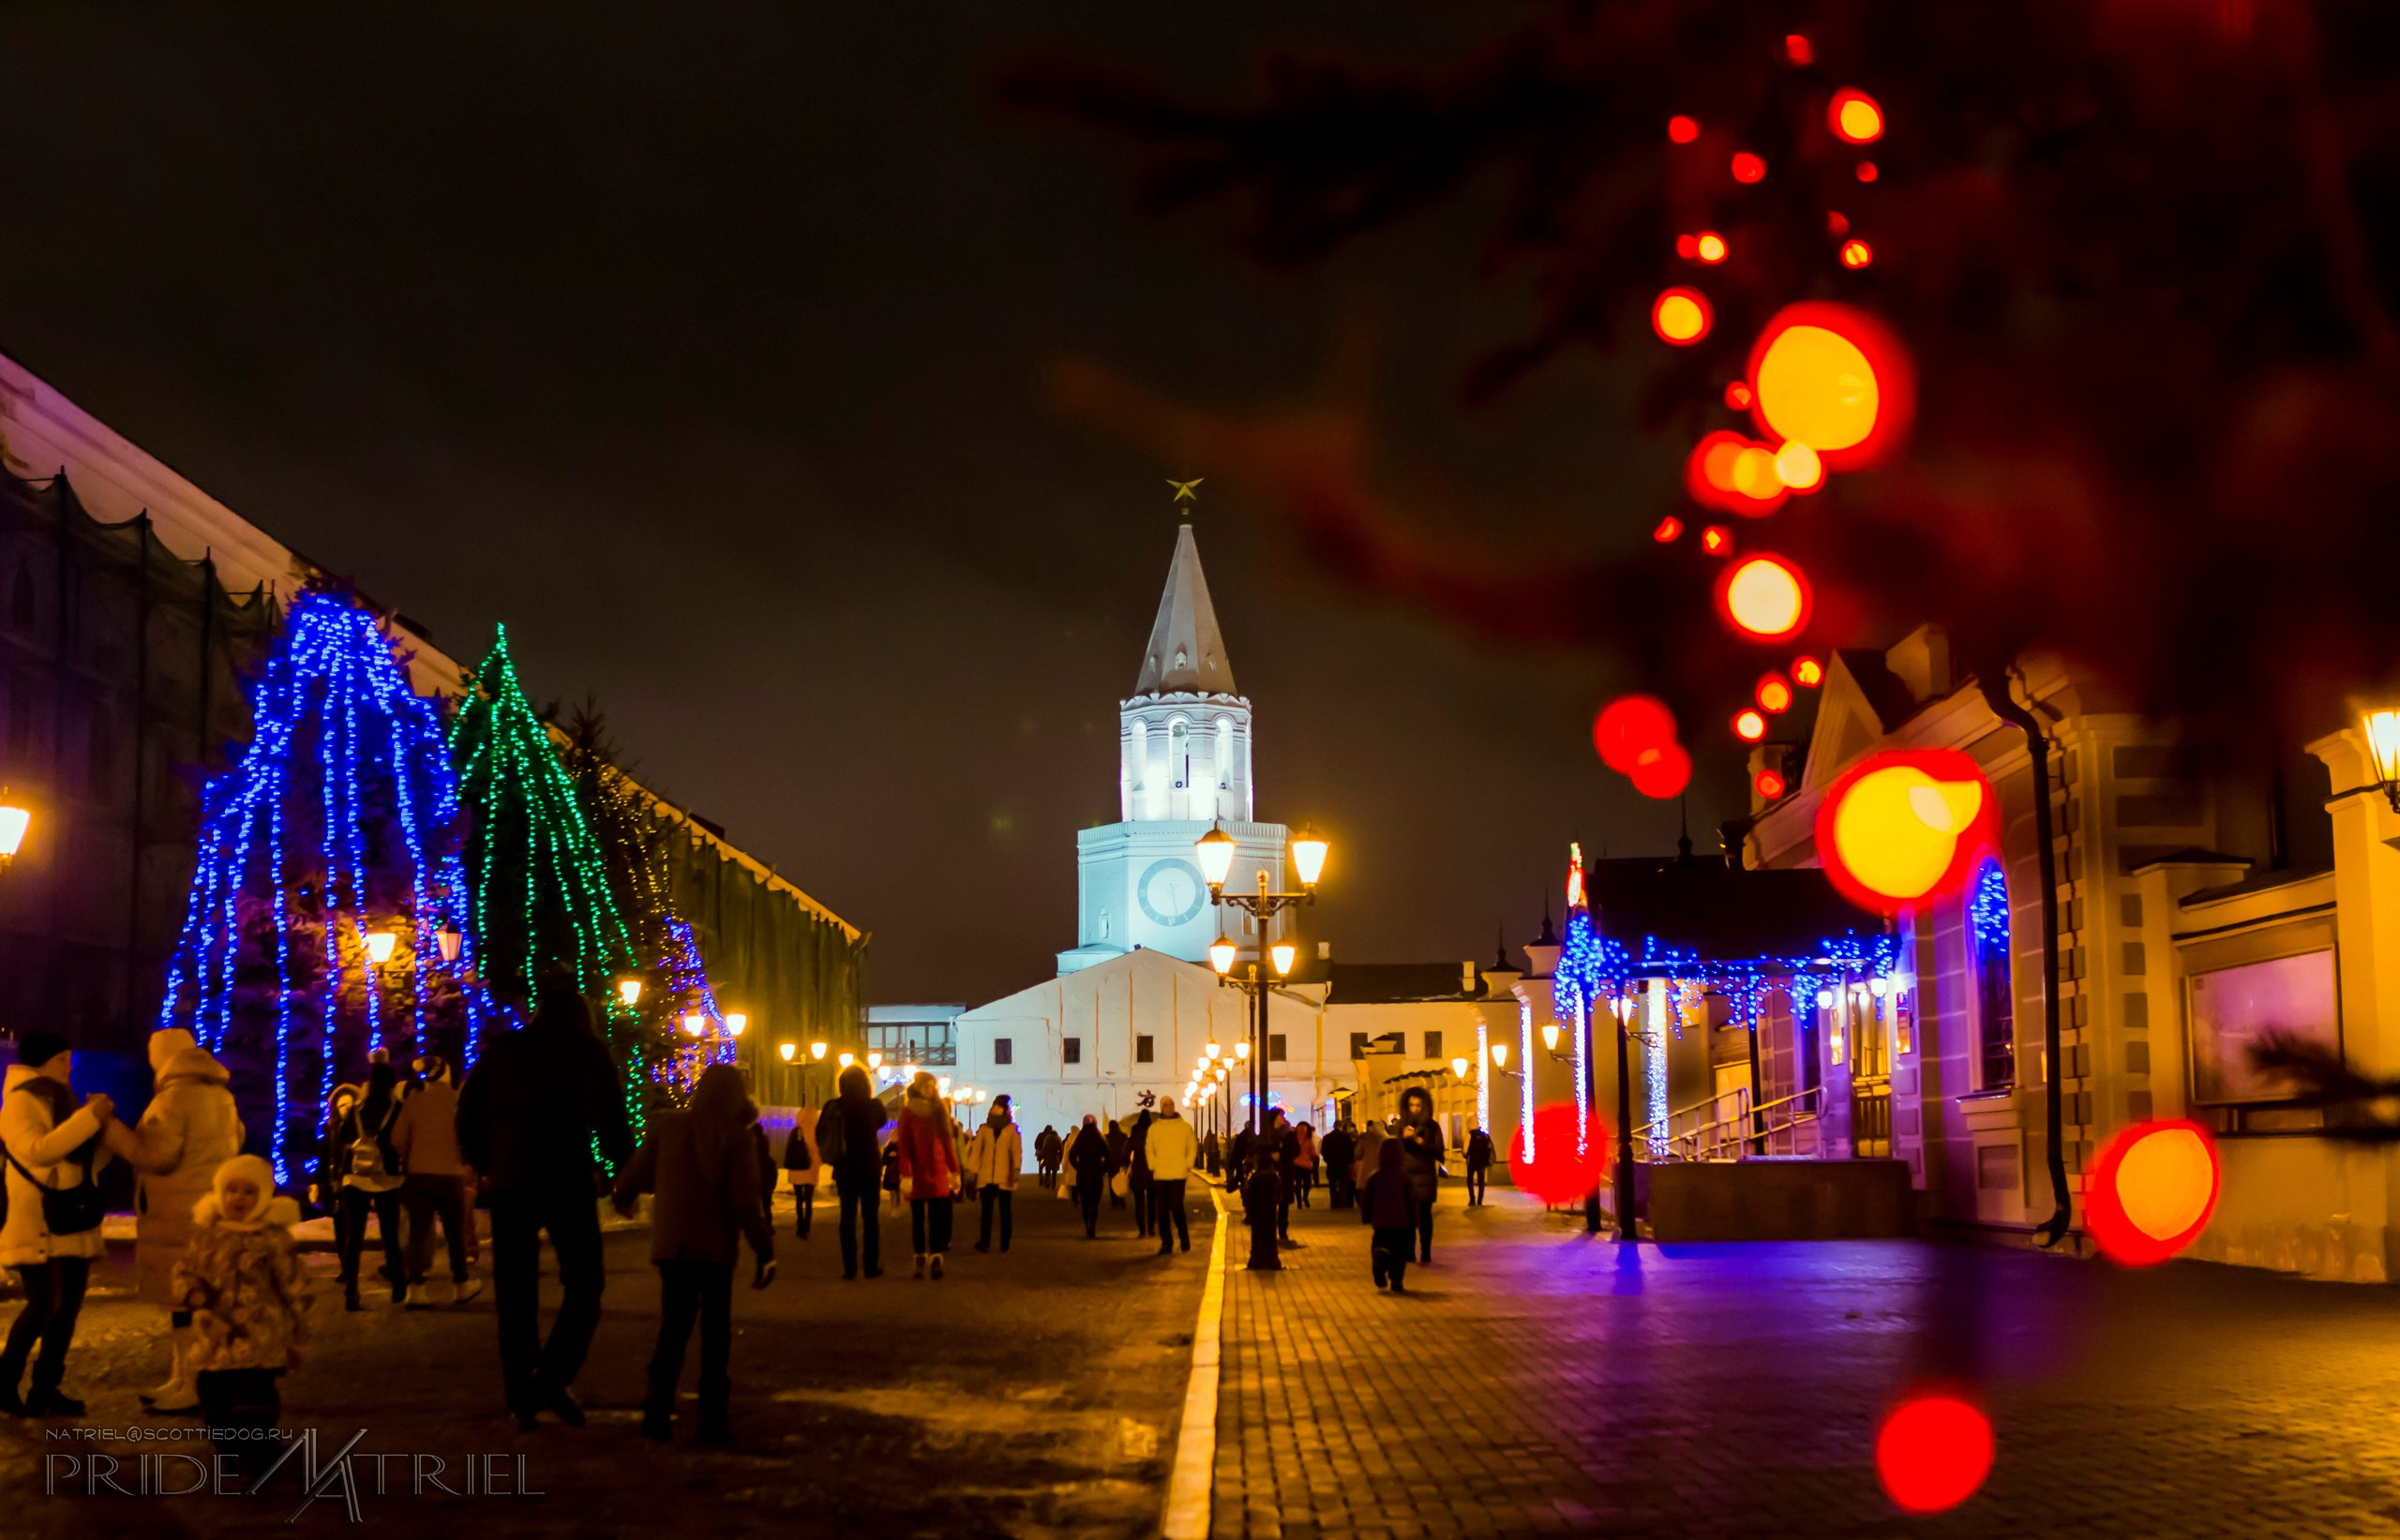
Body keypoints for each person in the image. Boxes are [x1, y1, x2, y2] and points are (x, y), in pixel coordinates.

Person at [457, 985, 635, 1430]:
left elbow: (468, 1112)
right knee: (585, 1281)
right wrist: (625, 1172)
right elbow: (611, 1116)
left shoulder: (503, 1050)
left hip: (511, 1177)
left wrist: (485, 1162)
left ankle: (521, 1396)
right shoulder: (586, 1050)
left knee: (515, 1292)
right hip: (564, 1174)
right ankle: (553, 1372)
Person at [612, 1063, 776, 1445]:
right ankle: (712, 1418)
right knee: (716, 1332)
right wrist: (764, 1250)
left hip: (672, 1245)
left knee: (674, 1325)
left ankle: (657, 1406)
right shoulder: (738, 1138)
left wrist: (624, 1197)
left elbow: (634, 1173)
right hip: (716, 1247)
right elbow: (745, 1202)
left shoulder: (667, 1128)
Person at [101, 1027, 241, 1413]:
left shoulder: (173, 1098)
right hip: (206, 1210)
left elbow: (156, 1157)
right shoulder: (221, 1095)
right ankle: (186, 1378)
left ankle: (190, 1384)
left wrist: (110, 1128)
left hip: (176, 1216)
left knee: (183, 1301)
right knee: (197, 1301)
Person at [172, 1155, 310, 1473]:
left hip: (261, 1337)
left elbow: (295, 1285)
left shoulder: (273, 1239)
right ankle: (229, 1451)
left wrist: (298, 1334)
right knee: (212, 1397)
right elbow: (185, 1269)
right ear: (220, 1193)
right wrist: (192, 1293)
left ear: (263, 1197)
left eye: (249, 1192)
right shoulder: (206, 1234)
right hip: (215, 1337)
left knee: (254, 1402)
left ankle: (259, 1455)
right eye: (232, 1190)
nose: (239, 1198)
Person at [0, 1032, 115, 1416]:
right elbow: (38, 1151)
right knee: (44, 1306)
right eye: (63, 1059)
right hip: (39, 1221)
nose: (70, 1066)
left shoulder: (60, 1099)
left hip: (72, 1218)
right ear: (44, 1061)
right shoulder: (21, 1101)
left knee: (66, 1311)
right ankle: (3, 1384)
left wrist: (106, 1140)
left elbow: (79, 1165)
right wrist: (89, 1118)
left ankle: (46, 1389)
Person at [393, 1054, 480, 1308]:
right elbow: (468, 1135)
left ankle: (416, 1290)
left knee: (418, 1234)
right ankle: (461, 1284)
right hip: (449, 1175)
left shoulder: (413, 1101)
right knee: (455, 1233)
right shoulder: (457, 1100)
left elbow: (397, 1141)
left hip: (418, 1177)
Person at [333, 1058, 409, 1311]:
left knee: (354, 1236)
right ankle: (399, 1285)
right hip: (387, 1178)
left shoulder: (357, 1108)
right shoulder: (397, 1108)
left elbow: (343, 1138)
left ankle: (351, 1291)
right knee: (390, 1235)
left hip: (355, 1178)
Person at [818, 1065, 887, 1278]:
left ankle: (849, 1268)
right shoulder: (874, 1106)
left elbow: (820, 1132)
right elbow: (881, 1122)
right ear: (866, 1084)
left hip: (845, 1168)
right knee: (870, 1218)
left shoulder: (833, 1106)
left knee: (847, 1217)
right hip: (869, 1168)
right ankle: (870, 1266)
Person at [894, 1071, 959, 1278]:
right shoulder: (908, 1112)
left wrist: (954, 1169)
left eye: (933, 1087)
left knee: (937, 1218)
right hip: (917, 1171)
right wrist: (906, 1173)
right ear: (918, 1087)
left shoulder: (940, 1110)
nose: (930, 1090)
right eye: (926, 1086)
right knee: (918, 1218)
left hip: (939, 1171)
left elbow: (948, 1142)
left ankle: (936, 1258)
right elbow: (904, 1145)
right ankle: (920, 1257)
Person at [1358, 1139, 1418, 1293]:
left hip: (1380, 1221)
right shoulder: (1405, 1178)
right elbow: (1411, 1201)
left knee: (1379, 1244)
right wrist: (1414, 1220)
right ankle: (1396, 1279)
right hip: (1401, 1223)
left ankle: (1379, 1264)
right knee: (1399, 1252)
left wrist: (1366, 1216)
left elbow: (1367, 1200)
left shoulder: (1375, 1177)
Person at [966, 1095, 1023, 1254]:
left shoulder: (1012, 1129)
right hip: (987, 1175)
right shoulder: (985, 1129)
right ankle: (985, 1242)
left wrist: (1017, 1169)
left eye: (1000, 1106)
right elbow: (977, 1151)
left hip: (1005, 1174)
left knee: (1005, 1211)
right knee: (986, 1212)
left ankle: (1005, 1242)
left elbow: (1016, 1151)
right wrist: (972, 1170)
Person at [1396, 1087, 1447, 1264]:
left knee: (1425, 1216)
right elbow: (1393, 1151)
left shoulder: (1432, 1126)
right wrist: (1403, 1138)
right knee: (1408, 1217)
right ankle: (1409, 1252)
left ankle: (1426, 1251)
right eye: (1411, 1105)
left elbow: (1440, 1152)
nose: (1415, 1109)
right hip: (1406, 1178)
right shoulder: (1401, 1125)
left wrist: (1420, 1141)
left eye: (1418, 1105)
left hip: (1425, 1177)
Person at [1143, 1095, 1198, 1256]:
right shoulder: (1155, 1129)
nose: (1169, 1107)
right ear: (1162, 1108)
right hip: (1161, 1173)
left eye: (1171, 1104)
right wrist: (1153, 1164)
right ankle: (1166, 1242)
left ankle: (1184, 1238)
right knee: (1162, 1209)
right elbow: (1149, 1148)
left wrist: (1187, 1163)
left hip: (1178, 1173)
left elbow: (1191, 1146)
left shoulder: (1184, 1127)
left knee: (1177, 1206)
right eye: (1166, 1105)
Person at [1066, 1114, 1109, 1238]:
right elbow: (1108, 1155)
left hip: (1083, 1174)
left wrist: (1078, 1166)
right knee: (1095, 1203)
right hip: (1096, 1173)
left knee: (1085, 1202)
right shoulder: (1098, 1137)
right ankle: (1093, 1227)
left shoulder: (1080, 1137)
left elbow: (1072, 1155)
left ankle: (1087, 1225)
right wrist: (1103, 1169)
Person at [781, 1114, 818, 1240]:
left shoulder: (795, 1131)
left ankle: (799, 1227)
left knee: (798, 1199)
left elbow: (789, 1150)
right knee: (808, 1201)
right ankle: (807, 1228)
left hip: (797, 1171)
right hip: (810, 1170)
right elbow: (818, 1154)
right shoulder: (815, 1132)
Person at [1321, 1121, 1356, 1210]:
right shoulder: (1346, 1137)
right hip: (1343, 1165)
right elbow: (1350, 1151)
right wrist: (1350, 1161)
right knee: (1343, 1184)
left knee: (1332, 1185)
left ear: (1333, 1126)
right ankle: (1343, 1203)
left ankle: (1333, 1203)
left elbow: (1323, 1151)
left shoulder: (1327, 1137)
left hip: (1332, 1164)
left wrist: (1327, 1159)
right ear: (1341, 1126)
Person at [1353, 1116, 1387, 1207]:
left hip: (1367, 1167)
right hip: (1381, 1168)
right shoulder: (1386, 1140)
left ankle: (1367, 1206)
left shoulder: (1365, 1139)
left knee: (1366, 1187)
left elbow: (1358, 1153)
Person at [1103, 1118, 1131, 1209]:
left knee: (1112, 1181)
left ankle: (1114, 1201)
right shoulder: (1123, 1136)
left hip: (1111, 1163)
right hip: (1121, 1162)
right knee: (1122, 1180)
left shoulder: (1107, 1137)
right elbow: (1127, 1149)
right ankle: (1121, 1199)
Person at [1465, 1125, 1495, 1207]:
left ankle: (1472, 1199)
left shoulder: (1469, 1135)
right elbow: (1490, 1148)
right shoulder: (1485, 1136)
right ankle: (1479, 1201)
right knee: (1481, 1181)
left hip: (1472, 1162)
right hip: (1482, 1162)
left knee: (1470, 1180)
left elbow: (1465, 1150)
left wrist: (1466, 1156)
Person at [1293, 1122, 1319, 1208]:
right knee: (1307, 1182)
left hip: (1296, 1164)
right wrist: (1312, 1158)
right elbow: (1313, 1153)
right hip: (1307, 1164)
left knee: (1298, 1183)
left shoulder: (1293, 1140)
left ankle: (1299, 1201)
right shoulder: (1308, 1140)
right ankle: (1305, 1197)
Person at [1034, 1125, 1061, 1190]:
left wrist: (1039, 1150)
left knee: (1041, 1168)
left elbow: (1036, 1144)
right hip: (1049, 1156)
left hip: (1042, 1155)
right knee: (1049, 1170)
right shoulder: (1054, 1137)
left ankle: (1042, 1180)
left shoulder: (1041, 1135)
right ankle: (1049, 1183)